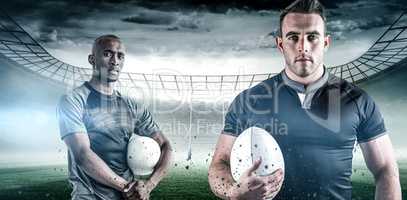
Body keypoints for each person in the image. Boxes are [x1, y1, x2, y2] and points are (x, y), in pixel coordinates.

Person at [208, 0, 402, 199]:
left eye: (312, 37)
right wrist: (232, 191)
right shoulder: (249, 101)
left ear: (326, 43)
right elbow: (219, 164)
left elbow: (386, 169)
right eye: (293, 37)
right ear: (280, 44)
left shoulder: (358, 100)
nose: (303, 47)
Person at [57, 34, 172, 200]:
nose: (115, 61)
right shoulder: (73, 100)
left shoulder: (133, 106)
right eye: (107, 54)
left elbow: (166, 145)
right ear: (92, 59)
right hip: (89, 196)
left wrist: (149, 185)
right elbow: (82, 154)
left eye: (120, 56)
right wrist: (126, 187)